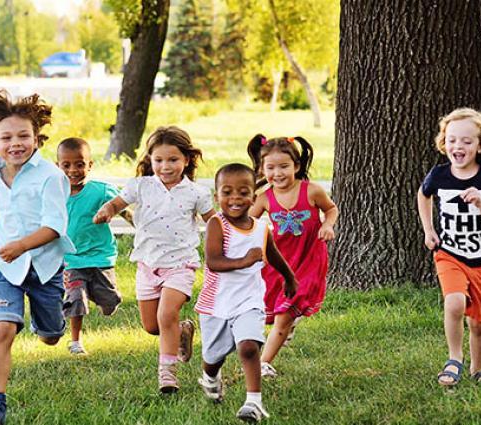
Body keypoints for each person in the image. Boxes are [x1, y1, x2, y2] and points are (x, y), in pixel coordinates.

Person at [0, 90, 75, 424]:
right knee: (2, 330)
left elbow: (55, 227)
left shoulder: (51, 177)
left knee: (51, 336)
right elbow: (4, 200)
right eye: (7, 137)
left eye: (24, 136)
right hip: (6, 266)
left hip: (44, 266)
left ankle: (49, 321)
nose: (16, 143)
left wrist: (21, 246)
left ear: (37, 138)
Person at [94, 126, 215, 393]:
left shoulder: (196, 193)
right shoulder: (142, 186)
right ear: (150, 159)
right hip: (148, 266)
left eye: (173, 160)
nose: (165, 166)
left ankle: (167, 375)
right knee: (152, 326)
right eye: (158, 160)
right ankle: (182, 330)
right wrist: (106, 210)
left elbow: (214, 222)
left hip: (181, 265)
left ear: (186, 159)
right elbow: (117, 203)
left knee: (165, 314)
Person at [195, 163, 296, 422]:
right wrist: (244, 261)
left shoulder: (261, 228)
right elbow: (214, 262)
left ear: (254, 196)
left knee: (249, 347)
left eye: (243, 192)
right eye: (227, 192)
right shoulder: (217, 224)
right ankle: (210, 376)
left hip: (249, 301)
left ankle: (254, 403)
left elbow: (272, 254)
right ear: (216, 196)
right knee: (212, 356)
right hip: (216, 304)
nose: (235, 199)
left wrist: (289, 277)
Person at [417, 108, 481, 386]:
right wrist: (429, 230)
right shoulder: (439, 174)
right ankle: (454, 358)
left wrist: (480, 202)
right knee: (453, 302)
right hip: (450, 254)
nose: (458, 146)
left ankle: (478, 369)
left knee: (479, 323)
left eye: (467, 141)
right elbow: (423, 195)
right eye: (452, 140)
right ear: (444, 142)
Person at [247, 135, 338, 377]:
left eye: (284, 166)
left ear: (296, 166)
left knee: (284, 312)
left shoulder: (311, 191)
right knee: (274, 308)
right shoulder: (264, 198)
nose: (278, 173)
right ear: (262, 169)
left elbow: (331, 209)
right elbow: (248, 224)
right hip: (279, 260)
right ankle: (288, 324)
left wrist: (327, 225)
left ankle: (263, 362)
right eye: (271, 167)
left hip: (309, 259)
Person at [57, 137, 127, 355]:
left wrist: (141, 227)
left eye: (79, 164)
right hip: (72, 259)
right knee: (75, 297)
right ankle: (75, 341)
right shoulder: (54, 194)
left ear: (90, 165)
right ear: (57, 166)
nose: (73, 170)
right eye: (66, 165)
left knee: (109, 300)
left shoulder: (102, 191)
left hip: (100, 257)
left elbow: (124, 209)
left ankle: (104, 299)